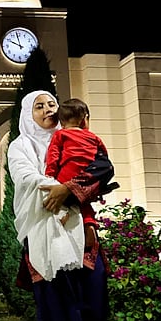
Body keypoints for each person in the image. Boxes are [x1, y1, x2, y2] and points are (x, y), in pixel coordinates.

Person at [8, 90, 109, 321]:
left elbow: (102, 168)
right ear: (28, 114)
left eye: (51, 104)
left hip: (81, 226)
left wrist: (68, 189)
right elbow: (25, 176)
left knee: (94, 303)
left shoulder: (74, 137)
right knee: (57, 306)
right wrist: (58, 188)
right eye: (39, 106)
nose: (48, 110)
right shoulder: (21, 146)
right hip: (44, 228)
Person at [45, 98, 112, 236]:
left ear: (61, 123)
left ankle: (65, 216)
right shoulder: (93, 137)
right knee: (83, 201)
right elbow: (104, 155)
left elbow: (53, 156)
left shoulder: (60, 134)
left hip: (66, 176)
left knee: (65, 201)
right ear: (84, 119)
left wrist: (50, 175)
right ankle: (89, 223)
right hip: (88, 174)